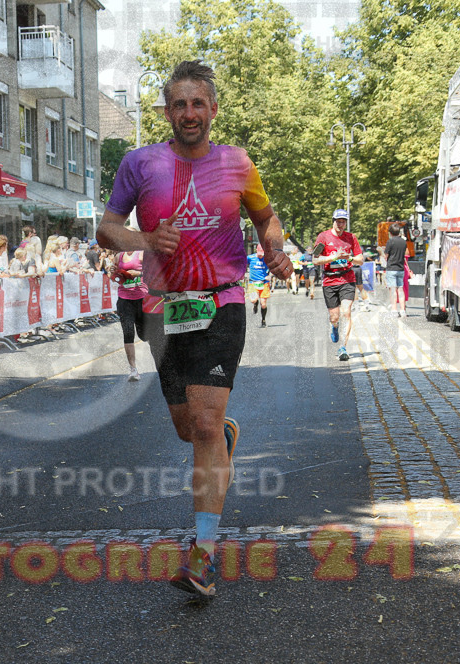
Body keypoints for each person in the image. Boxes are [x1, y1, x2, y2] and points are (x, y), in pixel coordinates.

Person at [96, 60, 292, 598]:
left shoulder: (237, 163)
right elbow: (107, 230)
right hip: (163, 310)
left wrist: (273, 248)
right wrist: (144, 242)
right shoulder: (139, 164)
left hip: (221, 301)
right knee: (191, 428)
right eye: (178, 104)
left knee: (204, 422)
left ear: (212, 109)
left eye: (198, 103)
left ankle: (203, 556)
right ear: (166, 111)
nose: (189, 113)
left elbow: (265, 218)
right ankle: (222, 437)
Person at [314, 208, 363, 361]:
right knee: (334, 317)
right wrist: (333, 257)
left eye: (343, 222)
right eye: (338, 221)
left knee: (346, 311)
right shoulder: (323, 237)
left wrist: (350, 258)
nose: (341, 224)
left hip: (347, 279)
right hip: (330, 281)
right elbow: (315, 260)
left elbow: (360, 259)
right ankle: (334, 327)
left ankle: (343, 347)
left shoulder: (351, 238)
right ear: (333, 221)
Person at [112, 247, 147, 381]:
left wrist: (138, 273)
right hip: (124, 300)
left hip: (142, 299)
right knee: (128, 333)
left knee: (144, 335)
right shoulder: (118, 256)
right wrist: (114, 274)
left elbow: (153, 270)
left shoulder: (141, 255)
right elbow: (113, 274)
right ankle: (133, 370)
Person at [382, 223, 408, 317]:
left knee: (392, 289)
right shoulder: (403, 242)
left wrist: (382, 253)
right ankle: (402, 310)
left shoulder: (390, 241)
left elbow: (386, 256)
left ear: (390, 232)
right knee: (400, 289)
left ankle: (394, 310)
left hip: (392, 268)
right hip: (401, 268)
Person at [246, 244, 272, 327]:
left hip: (264, 283)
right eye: (259, 253)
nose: (261, 256)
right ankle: (255, 304)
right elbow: (241, 264)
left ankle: (263, 320)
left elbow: (273, 268)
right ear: (256, 250)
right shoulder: (250, 258)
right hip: (253, 283)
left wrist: (270, 275)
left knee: (263, 304)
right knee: (253, 300)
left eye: (262, 254)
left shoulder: (267, 259)